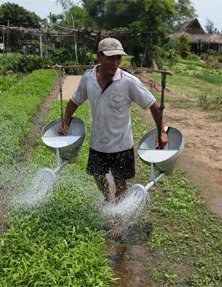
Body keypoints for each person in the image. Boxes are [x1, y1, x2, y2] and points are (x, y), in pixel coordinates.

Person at [59, 37, 168, 236]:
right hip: (98, 143)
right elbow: (74, 101)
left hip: (121, 145)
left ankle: (118, 220)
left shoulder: (128, 82)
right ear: (99, 56)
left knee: (120, 184)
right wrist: (65, 121)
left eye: (119, 58)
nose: (116, 62)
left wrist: (161, 131)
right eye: (111, 58)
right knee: (97, 177)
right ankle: (107, 200)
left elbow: (153, 105)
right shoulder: (88, 78)